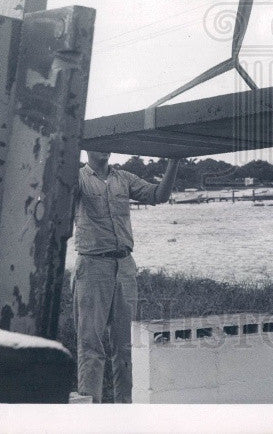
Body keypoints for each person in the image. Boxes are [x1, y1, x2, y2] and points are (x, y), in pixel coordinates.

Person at [72, 150, 179, 403]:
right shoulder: (77, 179)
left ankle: (125, 411)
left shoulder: (124, 178)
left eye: (109, 143)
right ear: (87, 146)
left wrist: (173, 161)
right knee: (91, 345)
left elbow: (159, 195)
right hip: (92, 265)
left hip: (124, 265)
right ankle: (91, 411)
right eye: (100, 142)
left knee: (126, 347)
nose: (105, 148)